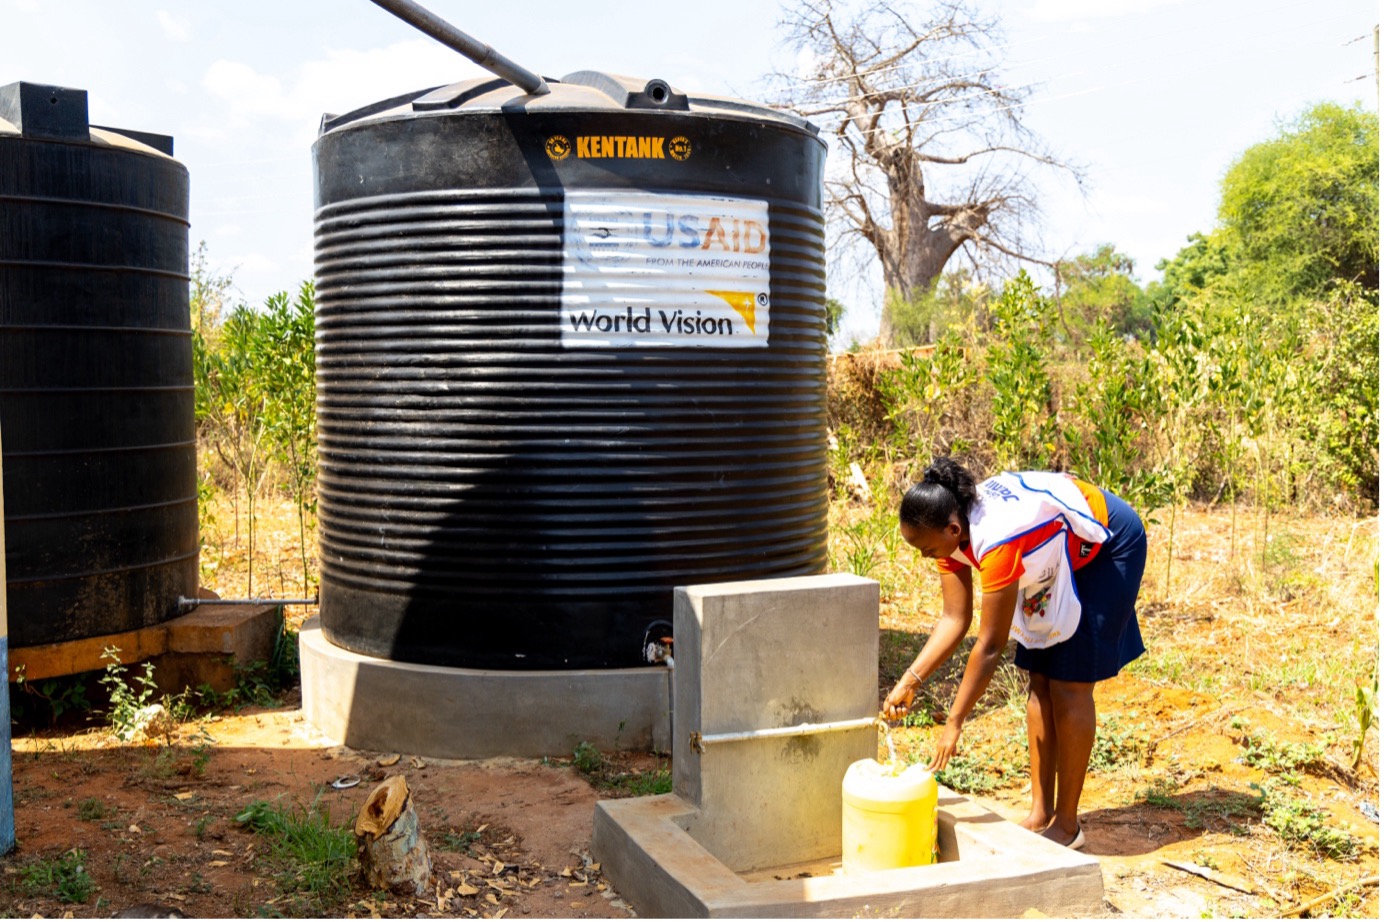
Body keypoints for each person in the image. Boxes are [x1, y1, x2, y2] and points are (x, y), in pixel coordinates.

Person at [882, 456, 1147, 850]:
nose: (925, 556)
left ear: (953, 529)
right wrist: (910, 681)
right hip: (1055, 554)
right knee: (1039, 678)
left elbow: (989, 646)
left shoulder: (997, 541)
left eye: (926, 548)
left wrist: (954, 721)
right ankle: (1041, 813)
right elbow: (955, 619)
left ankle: (1067, 825)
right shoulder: (950, 530)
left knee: (1069, 685)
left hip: (1105, 545)